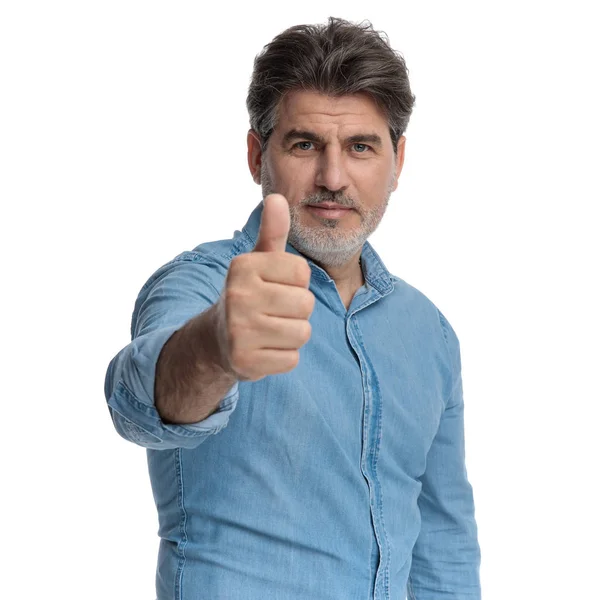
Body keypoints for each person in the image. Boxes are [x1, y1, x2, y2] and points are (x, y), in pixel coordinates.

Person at [104, 17, 481, 600]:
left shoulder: (429, 332)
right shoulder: (205, 284)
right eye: (305, 144)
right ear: (258, 155)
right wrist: (215, 346)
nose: (333, 177)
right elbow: (141, 403)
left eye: (361, 147)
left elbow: (442, 545)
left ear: (398, 160)